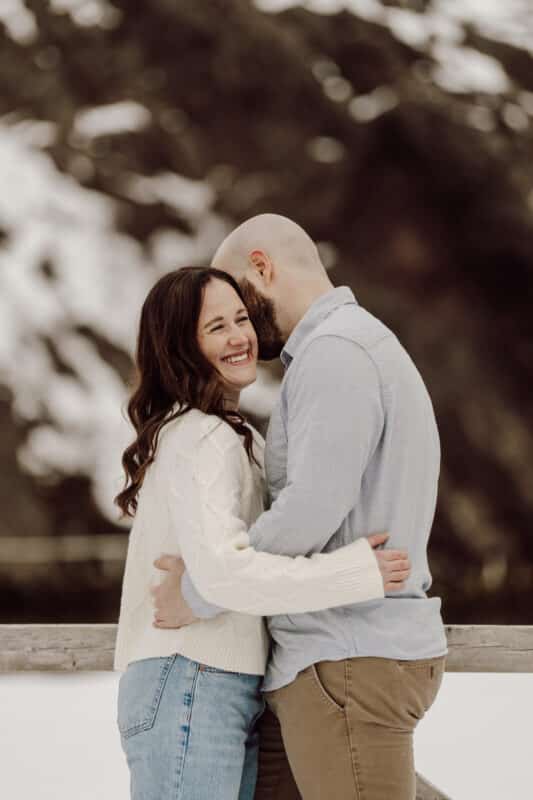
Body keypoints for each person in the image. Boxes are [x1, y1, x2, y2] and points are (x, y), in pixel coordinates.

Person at [152, 216, 448, 800]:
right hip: (340, 661)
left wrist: (200, 590)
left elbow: (310, 510)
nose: (241, 327)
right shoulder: (352, 346)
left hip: (345, 658)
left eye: (241, 303)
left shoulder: (335, 354)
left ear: (262, 267)